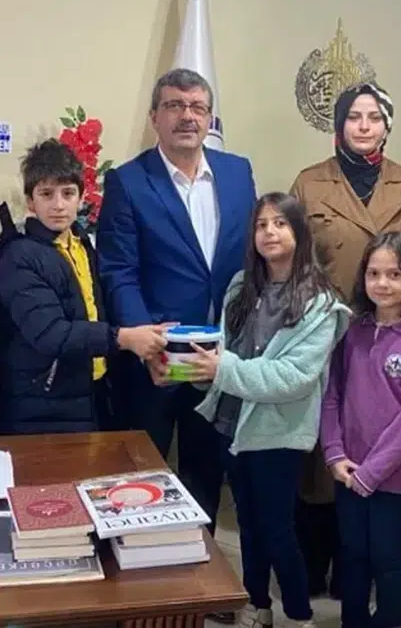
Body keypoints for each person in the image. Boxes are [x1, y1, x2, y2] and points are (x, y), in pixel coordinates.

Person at [289, 81, 401, 596]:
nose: (363, 126)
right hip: (325, 334)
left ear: (386, 125)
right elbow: (294, 262)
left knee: (383, 440)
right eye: (353, 116)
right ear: (338, 124)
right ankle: (315, 567)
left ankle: (360, 576)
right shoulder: (310, 183)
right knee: (322, 456)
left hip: (394, 334)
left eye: (374, 117)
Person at [96, 68, 257, 536]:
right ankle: (136, 565)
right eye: (174, 106)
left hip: (218, 355)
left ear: (209, 118)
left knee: (206, 470)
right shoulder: (129, 181)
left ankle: (198, 562)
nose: (187, 116)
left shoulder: (237, 173)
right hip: (156, 359)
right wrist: (147, 344)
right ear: (155, 117)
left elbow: (249, 258)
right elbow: (118, 270)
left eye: (197, 107)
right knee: (138, 474)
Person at [179, 192, 349, 628]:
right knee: (249, 527)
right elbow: (223, 352)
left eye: (280, 223)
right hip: (230, 426)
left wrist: (222, 369)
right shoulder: (241, 286)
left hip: (277, 434)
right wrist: (193, 369)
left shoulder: (320, 302)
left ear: (299, 232)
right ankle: (259, 606)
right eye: (261, 225)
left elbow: (293, 378)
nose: (270, 232)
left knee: (277, 530)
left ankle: (299, 615)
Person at [0, 140, 170, 434]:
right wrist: (123, 338)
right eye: (46, 194)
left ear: (81, 197)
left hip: (91, 394)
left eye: (68, 193)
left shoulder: (83, 245)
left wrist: (151, 331)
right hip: (43, 402)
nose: (58, 205)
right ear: (30, 201)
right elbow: (50, 333)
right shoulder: (19, 256)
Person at [321, 231, 401, 628]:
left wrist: (372, 473)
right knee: (352, 555)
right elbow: (332, 394)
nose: (383, 283)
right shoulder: (352, 332)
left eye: (395, 274)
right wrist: (334, 454)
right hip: (348, 472)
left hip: (395, 480)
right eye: (374, 273)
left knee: (387, 558)